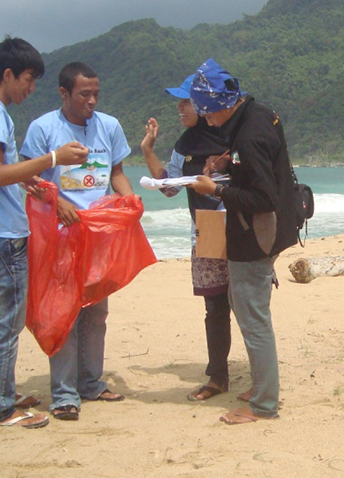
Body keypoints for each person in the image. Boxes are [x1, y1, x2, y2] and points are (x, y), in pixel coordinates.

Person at [0, 37, 88, 428]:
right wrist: (53, 159)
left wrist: (30, 182)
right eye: (28, 80)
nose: (31, 89)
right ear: (8, 74)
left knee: (5, 321)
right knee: (4, 324)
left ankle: (1, 392)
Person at [21, 62, 134, 421]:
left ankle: (91, 383)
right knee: (65, 312)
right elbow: (29, 179)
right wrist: (60, 204)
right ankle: (64, 393)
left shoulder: (109, 126)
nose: (92, 100)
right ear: (63, 93)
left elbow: (116, 173)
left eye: (96, 93)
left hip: (99, 236)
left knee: (96, 311)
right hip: (60, 236)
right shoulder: (43, 128)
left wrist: (130, 201)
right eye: (84, 93)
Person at [188, 59, 298, 424]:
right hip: (271, 229)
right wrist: (227, 168)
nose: (206, 120)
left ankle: (264, 404)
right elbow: (257, 173)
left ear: (221, 104)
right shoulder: (258, 114)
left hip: (257, 236)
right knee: (245, 306)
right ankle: (262, 385)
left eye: (207, 112)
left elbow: (262, 198)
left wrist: (216, 190)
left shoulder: (249, 133)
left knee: (252, 315)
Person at [140, 73, 234, 401]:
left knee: (249, 306)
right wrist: (148, 150)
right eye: (179, 101)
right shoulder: (185, 143)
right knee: (215, 305)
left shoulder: (233, 133)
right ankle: (218, 375)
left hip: (242, 227)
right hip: (206, 230)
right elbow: (169, 188)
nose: (180, 107)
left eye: (185, 101)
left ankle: (261, 375)